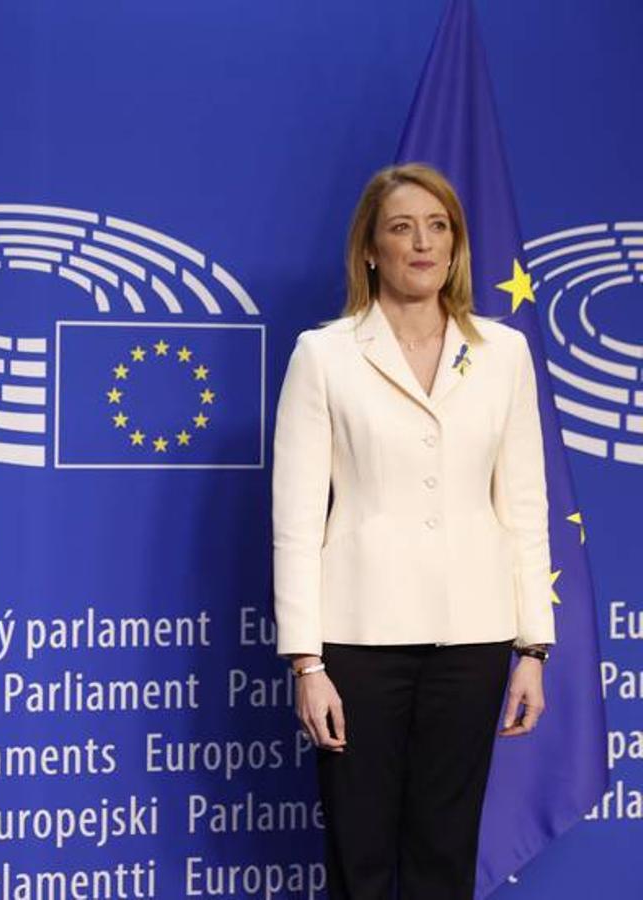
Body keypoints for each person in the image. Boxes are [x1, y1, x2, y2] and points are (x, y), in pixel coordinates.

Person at [271, 162, 554, 899]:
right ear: (370, 249)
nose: (422, 243)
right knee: (359, 857)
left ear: (457, 247)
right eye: (402, 227)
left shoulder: (505, 353)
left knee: (444, 856)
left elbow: (524, 503)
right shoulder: (324, 355)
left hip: (476, 638)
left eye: (438, 228)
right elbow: (297, 518)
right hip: (356, 639)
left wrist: (532, 648)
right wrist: (307, 662)